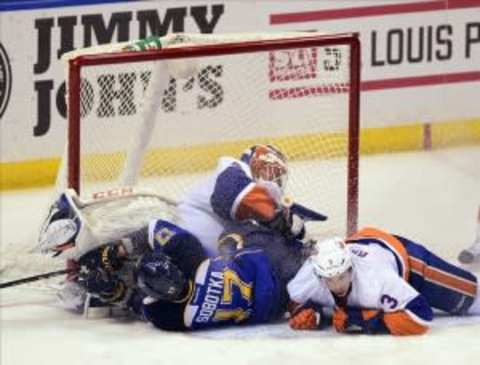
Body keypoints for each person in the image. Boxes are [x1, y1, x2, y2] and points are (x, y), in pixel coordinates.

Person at [74, 218, 310, 331]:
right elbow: (155, 229)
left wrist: (111, 289)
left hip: (270, 305)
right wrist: (120, 249)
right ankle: (295, 237)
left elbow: (133, 303)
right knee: (236, 230)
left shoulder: (165, 315)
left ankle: (296, 242)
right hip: (269, 273)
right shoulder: (189, 255)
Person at [287, 227, 480, 336]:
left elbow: (421, 317)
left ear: (351, 268)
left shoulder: (376, 280)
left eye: (342, 277)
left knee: (472, 298)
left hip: (410, 263)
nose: (337, 285)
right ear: (319, 276)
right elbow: (295, 300)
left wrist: (361, 319)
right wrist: (314, 313)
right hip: (367, 244)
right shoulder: (309, 278)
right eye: (330, 280)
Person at [176, 144, 305, 257]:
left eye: (279, 178)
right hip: (181, 247)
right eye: (274, 173)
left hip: (203, 261)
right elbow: (228, 196)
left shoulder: (252, 203)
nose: (276, 182)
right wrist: (275, 216)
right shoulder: (233, 168)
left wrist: (290, 230)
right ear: (257, 165)